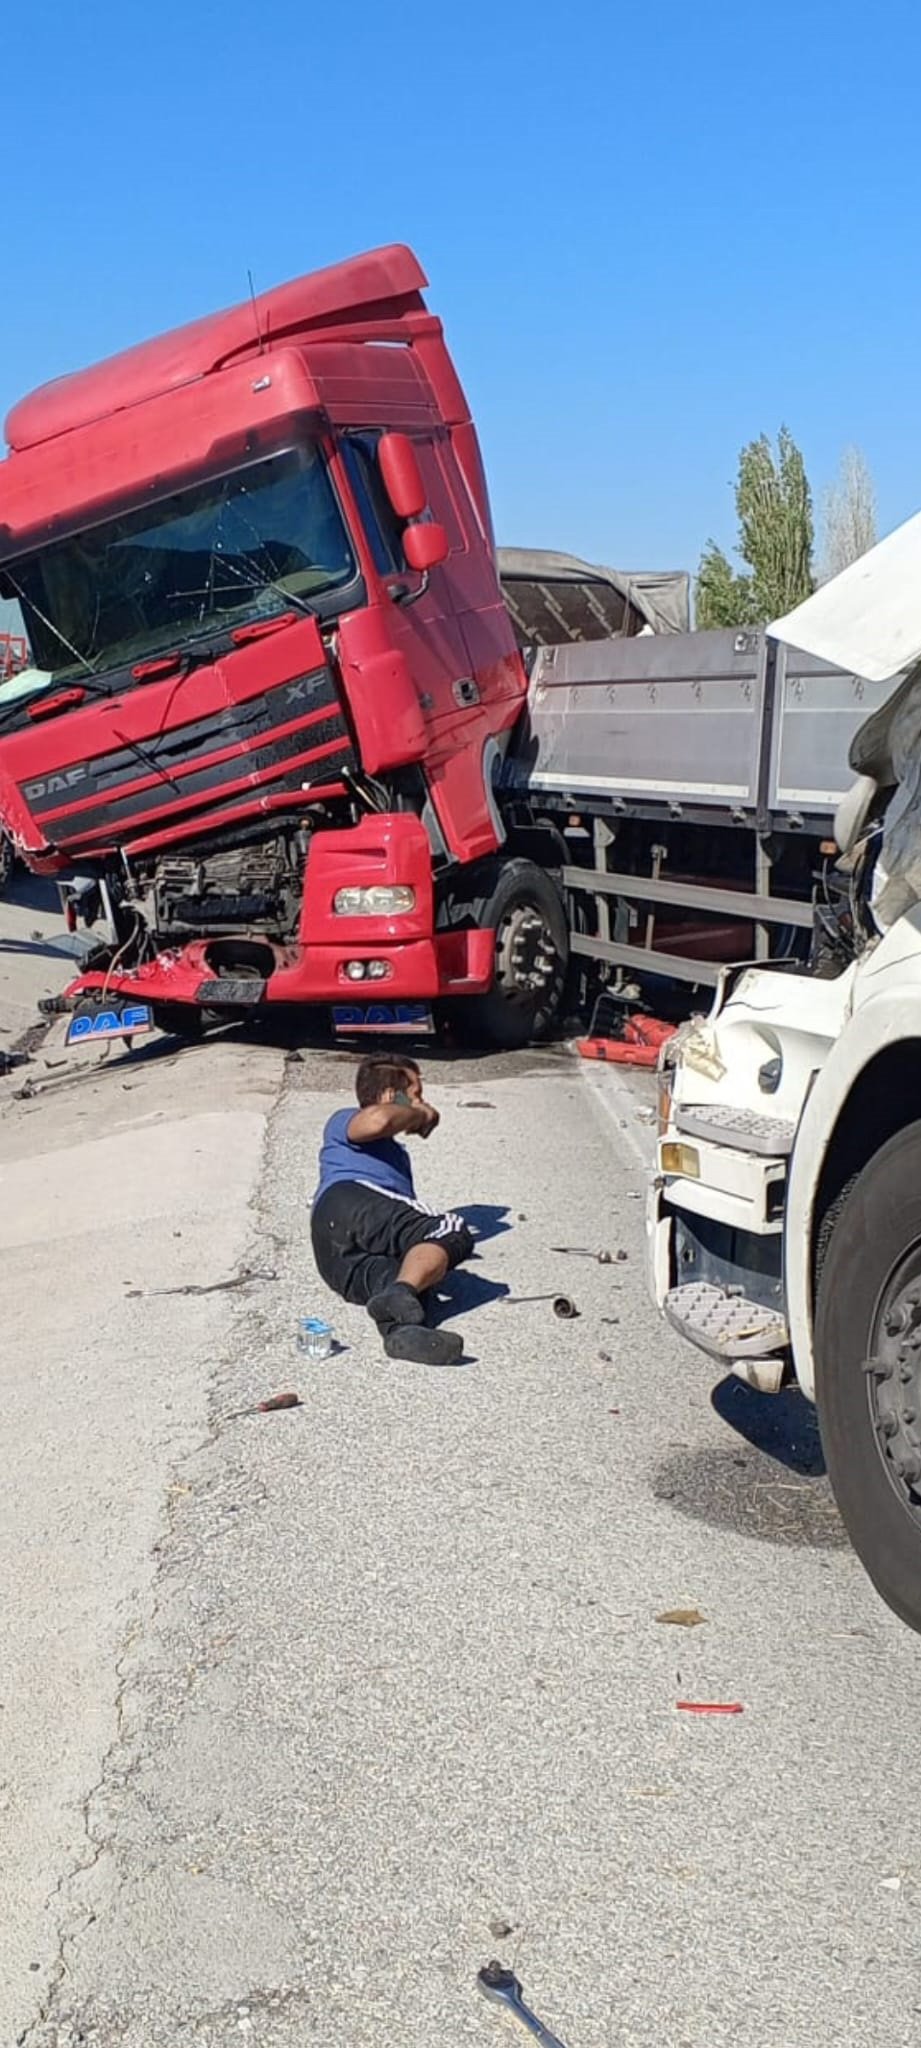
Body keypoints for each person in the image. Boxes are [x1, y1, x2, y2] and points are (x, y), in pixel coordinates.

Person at [311, 1054, 476, 1366]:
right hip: (347, 1199)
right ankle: (401, 1293)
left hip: (336, 1258)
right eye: (416, 1093)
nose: (422, 1102)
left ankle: (402, 1332)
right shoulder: (344, 1120)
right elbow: (379, 1120)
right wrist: (416, 1114)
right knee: (450, 1229)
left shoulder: (394, 1153)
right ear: (390, 1096)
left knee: (408, 1287)